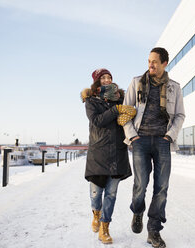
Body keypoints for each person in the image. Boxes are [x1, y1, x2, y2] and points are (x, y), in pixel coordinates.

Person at [123, 47, 185, 248]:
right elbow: (125, 112)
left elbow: (179, 115)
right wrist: (132, 137)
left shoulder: (174, 87)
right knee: (140, 185)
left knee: (162, 188)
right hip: (140, 140)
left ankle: (154, 230)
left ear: (165, 63)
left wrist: (170, 135)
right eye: (149, 61)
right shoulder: (136, 83)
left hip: (162, 141)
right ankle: (138, 211)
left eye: (155, 61)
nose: (150, 64)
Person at [81, 68, 136, 244]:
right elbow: (97, 120)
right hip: (98, 153)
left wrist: (127, 113)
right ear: (97, 81)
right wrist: (115, 111)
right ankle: (96, 213)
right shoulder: (91, 101)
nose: (107, 80)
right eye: (103, 78)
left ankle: (105, 227)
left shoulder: (120, 98)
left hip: (117, 152)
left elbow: (126, 117)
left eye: (109, 77)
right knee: (96, 193)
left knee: (111, 194)